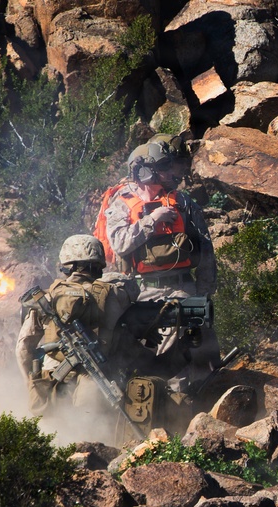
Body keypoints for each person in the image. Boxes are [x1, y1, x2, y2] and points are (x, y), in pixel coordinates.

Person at [100, 136, 219, 395]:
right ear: (145, 171)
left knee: (195, 352)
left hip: (182, 287)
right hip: (142, 292)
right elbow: (119, 243)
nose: (172, 172)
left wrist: (203, 293)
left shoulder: (183, 202)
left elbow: (205, 249)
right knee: (145, 354)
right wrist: (152, 220)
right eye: (164, 167)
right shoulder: (121, 204)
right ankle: (153, 401)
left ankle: (191, 404)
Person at [15, 234, 147, 417]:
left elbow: (23, 347)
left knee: (51, 428)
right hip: (95, 381)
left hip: (51, 380)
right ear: (99, 264)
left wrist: (30, 382)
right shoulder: (115, 295)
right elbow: (132, 289)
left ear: (66, 264)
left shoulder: (46, 298)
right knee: (91, 428)